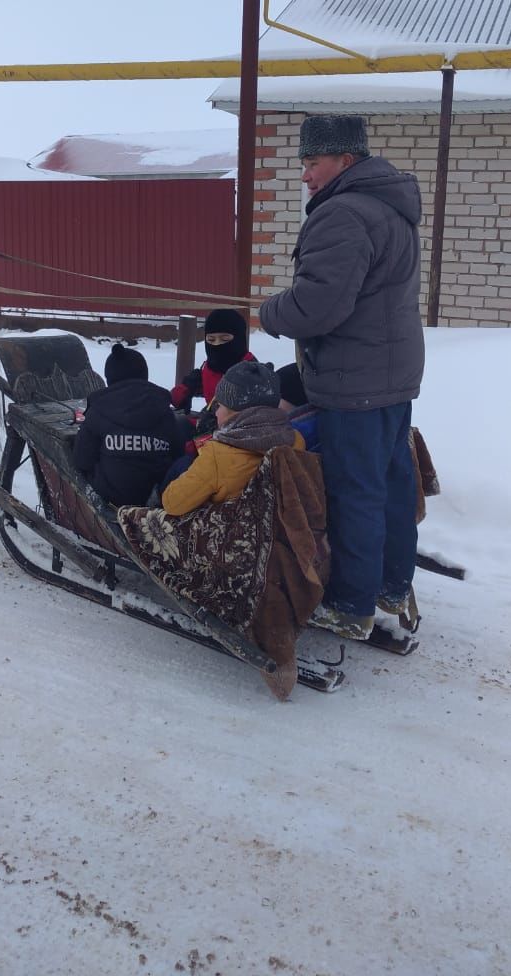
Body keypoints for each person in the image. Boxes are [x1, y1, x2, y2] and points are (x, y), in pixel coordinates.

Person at [259, 114, 425, 642]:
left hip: (355, 382)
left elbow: (316, 307)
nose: (305, 175)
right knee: (392, 482)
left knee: (355, 492)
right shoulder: (390, 207)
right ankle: (392, 585)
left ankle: (351, 605)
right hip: (392, 375)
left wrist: (268, 312)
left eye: (312, 163)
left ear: (345, 161)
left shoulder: (343, 216)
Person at [162, 361, 304, 517]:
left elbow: (173, 503)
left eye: (219, 406)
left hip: (233, 536)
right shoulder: (295, 440)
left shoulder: (218, 455)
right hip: (279, 531)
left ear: (235, 412)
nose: (215, 413)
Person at [73, 343, 182, 507]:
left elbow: (81, 460)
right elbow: (178, 454)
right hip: (155, 497)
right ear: (144, 375)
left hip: (110, 497)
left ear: (109, 379)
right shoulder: (164, 410)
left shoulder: (98, 409)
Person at [170, 308, 255, 414]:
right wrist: (184, 390)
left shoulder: (253, 373)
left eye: (224, 340)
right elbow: (177, 397)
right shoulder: (209, 369)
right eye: (211, 340)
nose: (217, 345)